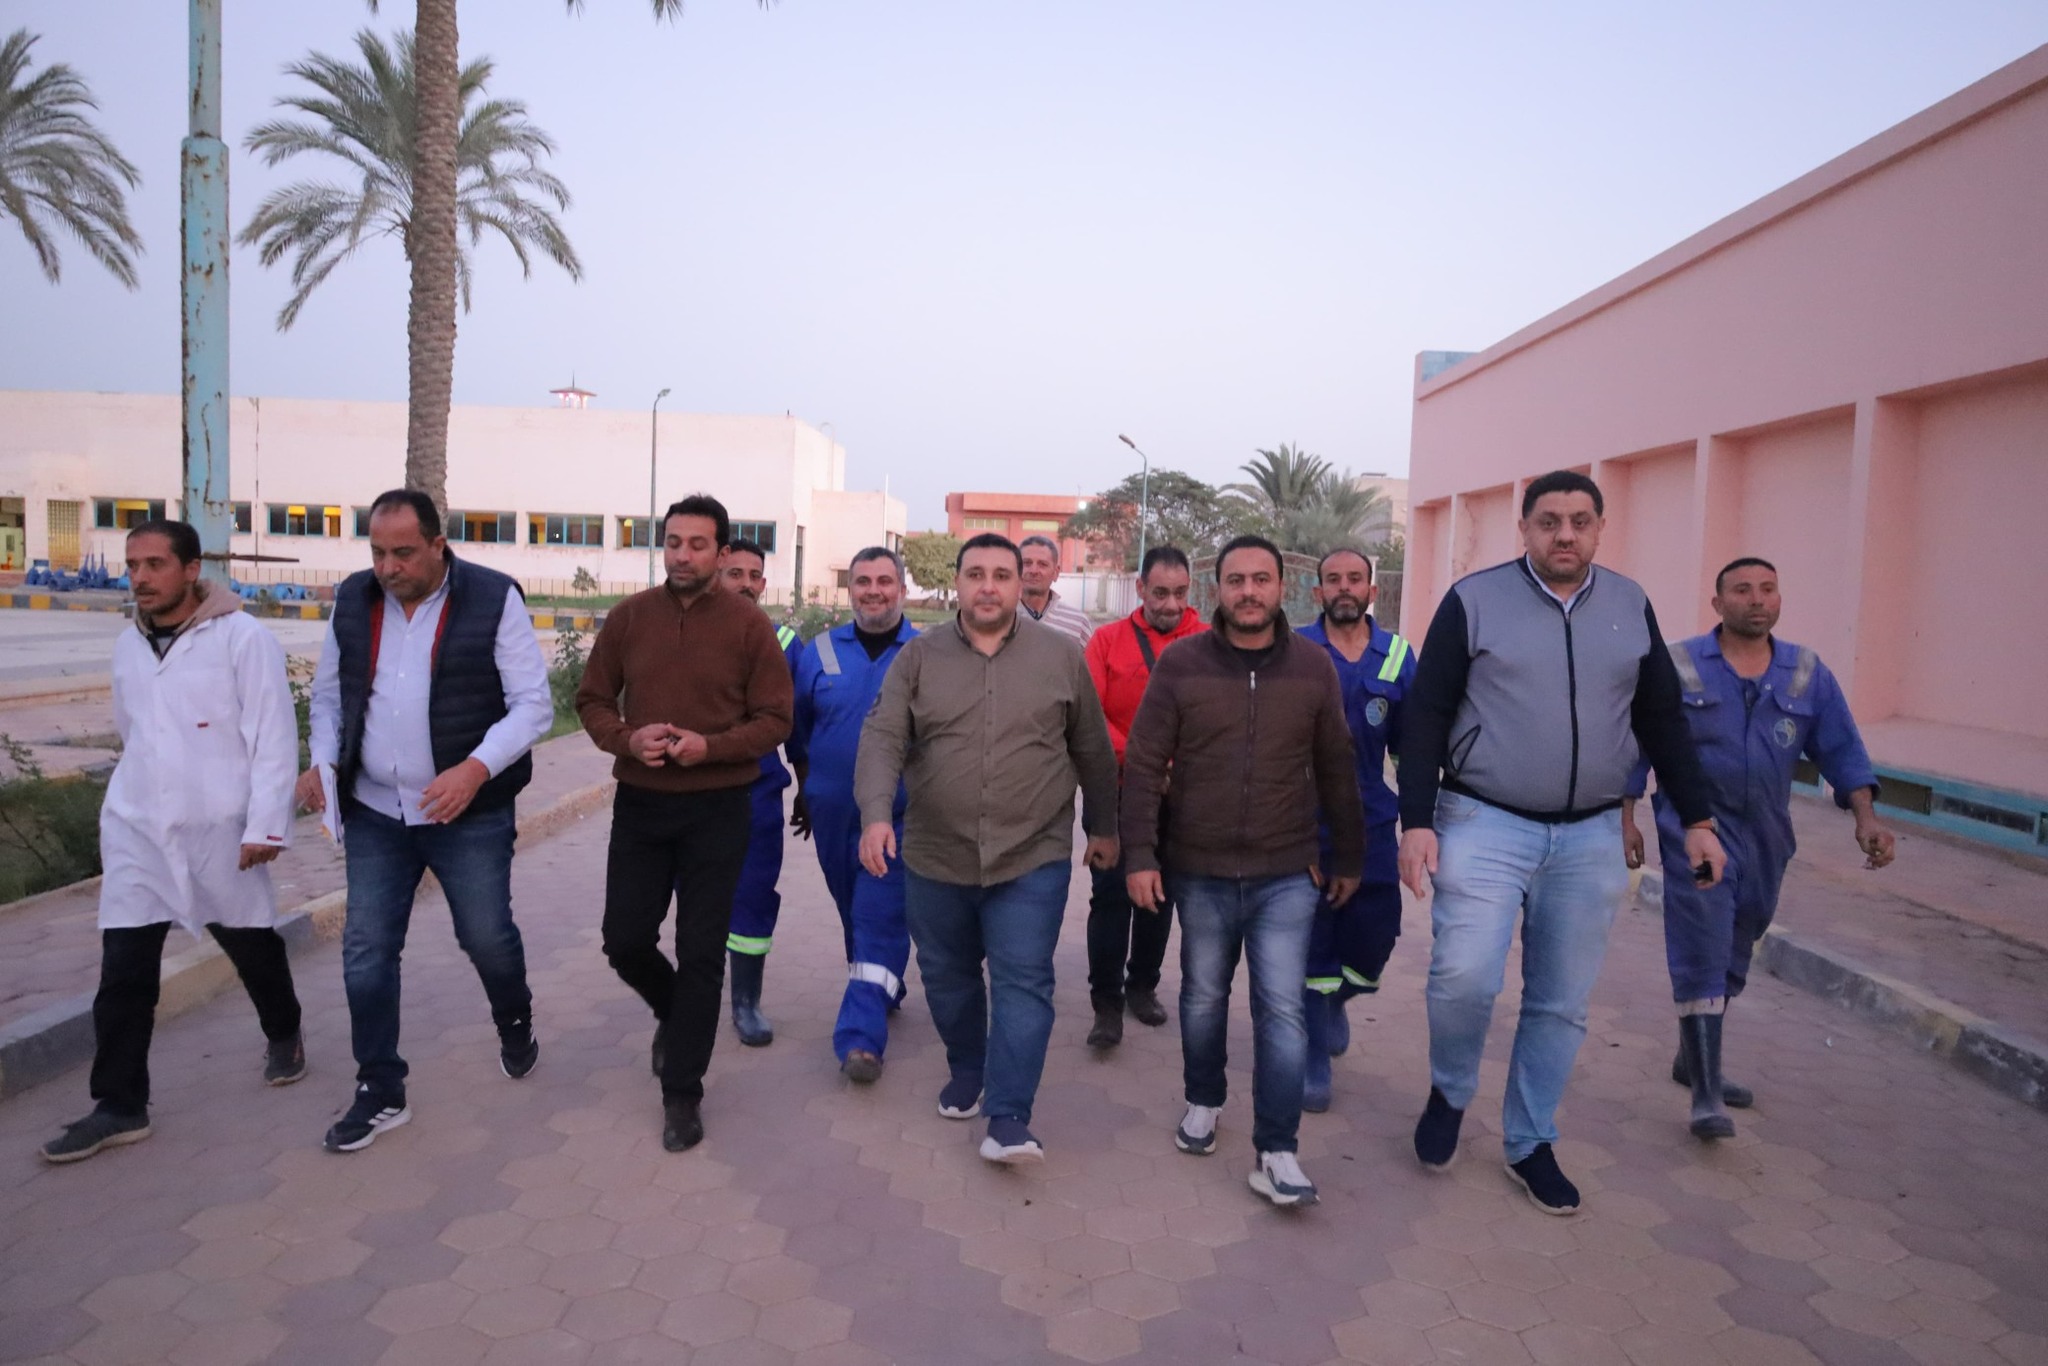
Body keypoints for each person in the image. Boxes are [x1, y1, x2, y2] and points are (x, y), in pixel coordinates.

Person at [1398, 470, 1724, 1215]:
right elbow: (1427, 715)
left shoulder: (1629, 605)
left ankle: (1529, 1139)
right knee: (1464, 977)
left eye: (1580, 520)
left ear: (1600, 528)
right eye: (1549, 521)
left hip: (1589, 834)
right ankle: (1450, 1091)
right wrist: (1416, 821)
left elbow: (1662, 719)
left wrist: (1698, 820)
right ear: (1525, 529)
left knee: (1561, 1000)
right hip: (1484, 819)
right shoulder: (1474, 601)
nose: (1565, 535)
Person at [40, 521, 305, 1163]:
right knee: (124, 972)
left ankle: (284, 1031)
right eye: (133, 565)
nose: (140, 578)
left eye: (155, 564)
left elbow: (273, 736)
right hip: (139, 830)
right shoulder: (127, 645)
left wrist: (265, 825)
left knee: (252, 945)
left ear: (191, 570)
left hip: (220, 829)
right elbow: (133, 732)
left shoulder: (242, 639)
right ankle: (119, 1105)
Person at [300, 489, 553, 1153]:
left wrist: (474, 770)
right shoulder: (354, 601)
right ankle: (380, 1088)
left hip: (467, 812)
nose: (388, 567)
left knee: (486, 937)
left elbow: (533, 706)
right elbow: (327, 698)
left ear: (439, 545)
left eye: (404, 553)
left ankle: (515, 1019)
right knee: (366, 949)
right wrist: (322, 762)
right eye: (378, 552)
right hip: (376, 812)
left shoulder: (493, 598)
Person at [855, 532, 1119, 1164]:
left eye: (1002, 575)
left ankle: (1009, 1116)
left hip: (1032, 855)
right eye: (976, 574)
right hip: (936, 855)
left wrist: (1103, 828)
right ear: (958, 583)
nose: (989, 587)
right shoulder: (918, 658)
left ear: (1020, 584)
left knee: (1024, 981)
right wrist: (875, 816)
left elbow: (1091, 749)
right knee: (946, 977)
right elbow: (883, 737)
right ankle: (969, 1065)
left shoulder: (1061, 657)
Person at [1121, 535, 1364, 1208]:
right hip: (1198, 870)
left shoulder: (1312, 667)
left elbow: (1337, 766)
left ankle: (1277, 1149)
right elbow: (1144, 761)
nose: (1249, 591)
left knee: (1281, 1009)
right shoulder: (1182, 664)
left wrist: (1349, 856)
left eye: (1261, 579)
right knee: (1202, 998)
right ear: (1217, 589)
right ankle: (1204, 1099)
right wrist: (1140, 854)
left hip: (1285, 872)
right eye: (1236, 580)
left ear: (1283, 587)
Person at [1623, 557, 1894, 1140]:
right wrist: (1628, 818)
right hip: (1694, 828)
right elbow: (1641, 741)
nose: (1757, 600)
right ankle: (1706, 1096)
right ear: (1717, 603)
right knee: (1702, 943)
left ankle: (1692, 1058)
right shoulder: (1679, 664)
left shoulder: (1806, 673)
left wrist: (1865, 817)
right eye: (1742, 590)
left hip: (1768, 835)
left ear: (1779, 600)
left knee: (1738, 942)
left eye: (1768, 589)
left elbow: (1842, 748)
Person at [576, 494, 793, 1152]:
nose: (682, 555)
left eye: (697, 544)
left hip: (718, 808)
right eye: (673, 542)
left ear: (721, 553)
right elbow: (591, 699)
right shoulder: (630, 617)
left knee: (701, 951)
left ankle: (682, 1092)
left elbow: (775, 719)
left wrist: (711, 747)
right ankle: (677, 1013)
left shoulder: (749, 626)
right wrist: (625, 738)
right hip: (641, 804)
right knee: (624, 940)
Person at [790, 546, 918, 1082]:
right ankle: (882, 983)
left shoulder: (926, 653)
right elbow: (799, 731)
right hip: (831, 812)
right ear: (850, 591)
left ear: (902, 590)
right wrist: (805, 791)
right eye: (863, 581)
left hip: (898, 817)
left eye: (885, 581)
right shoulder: (819, 652)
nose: (874, 591)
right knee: (853, 911)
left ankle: (861, 1040)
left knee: (877, 912)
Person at [1295, 547, 1416, 1113]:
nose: (1344, 587)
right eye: (1333, 579)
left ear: (1372, 590)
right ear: (1317, 592)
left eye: (1355, 579)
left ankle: (1338, 999)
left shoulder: (1398, 656)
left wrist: (1421, 825)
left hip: (1372, 821)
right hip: (1306, 822)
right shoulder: (1295, 649)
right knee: (1311, 939)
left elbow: (1412, 750)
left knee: (1376, 936)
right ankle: (1312, 1055)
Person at [1079, 544, 1207, 1049]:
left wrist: (1176, 766)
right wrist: (1146, 760)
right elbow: (1089, 715)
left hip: (1182, 795)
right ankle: (1106, 1004)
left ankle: (1142, 987)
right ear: (1140, 589)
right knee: (1110, 895)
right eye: (1160, 593)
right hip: (1114, 789)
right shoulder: (1107, 641)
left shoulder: (1208, 643)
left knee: (1159, 896)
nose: (1171, 604)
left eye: (1180, 593)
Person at [716, 537, 807, 1048]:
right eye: (736, 574)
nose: (746, 584)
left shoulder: (786, 642)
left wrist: (807, 789)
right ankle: (695, 995)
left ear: (764, 585)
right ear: (716, 574)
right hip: (695, 794)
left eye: (754, 576)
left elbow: (797, 728)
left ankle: (746, 1002)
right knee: (696, 896)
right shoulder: (686, 635)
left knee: (753, 893)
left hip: (757, 795)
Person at [1018, 534, 1093, 647]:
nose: (1034, 571)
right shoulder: (999, 618)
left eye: (1042, 564)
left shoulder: (1078, 624)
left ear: (1056, 573)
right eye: (1027, 563)